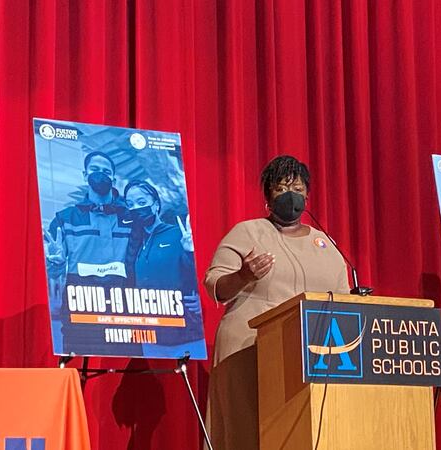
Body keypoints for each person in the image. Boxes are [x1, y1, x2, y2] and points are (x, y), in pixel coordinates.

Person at [203, 155, 350, 450]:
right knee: (246, 436)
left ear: (308, 194)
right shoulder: (248, 232)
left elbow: (345, 303)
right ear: (267, 198)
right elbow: (216, 287)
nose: (290, 195)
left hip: (311, 358)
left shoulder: (325, 244)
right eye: (281, 189)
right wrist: (244, 275)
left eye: (296, 187)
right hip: (248, 351)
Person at [44, 151, 131, 355]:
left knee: (127, 363)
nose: (100, 174)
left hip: (126, 303)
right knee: (75, 367)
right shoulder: (65, 218)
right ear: (85, 175)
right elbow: (53, 273)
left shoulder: (132, 217)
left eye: (105, 171)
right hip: (80, 302)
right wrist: (55, 264)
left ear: (114, 178)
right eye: (94, 170)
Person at [123, 180, 204, 355]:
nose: (136, 208)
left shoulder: (178, 235)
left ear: (156, 204)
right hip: (149, 334)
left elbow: (196, 274)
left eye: (142, 202)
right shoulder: (133, 242)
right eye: (130, 204)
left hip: (184, 334)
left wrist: (190, 251)